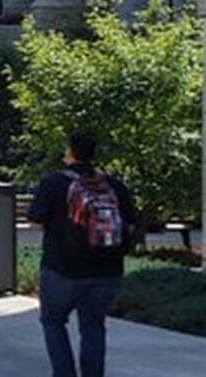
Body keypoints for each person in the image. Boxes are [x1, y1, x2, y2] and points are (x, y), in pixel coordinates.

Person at [27, 133, 138, 377]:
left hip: (62, 268)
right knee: (93, 326)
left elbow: (35, 220)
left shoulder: (54, 182)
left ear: (70, 153)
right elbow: (130, 224)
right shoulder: (113, 185)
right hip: (107, 270)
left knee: (53, 321)